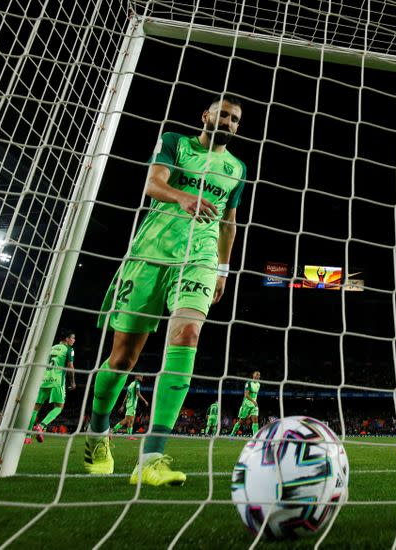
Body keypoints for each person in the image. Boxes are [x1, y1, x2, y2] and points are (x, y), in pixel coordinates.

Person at [84, 94, 247, 486]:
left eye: (235, 119)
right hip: (150, 254)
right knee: (123, 358)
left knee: (189, 335)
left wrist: (223, 270)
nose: (227, 122)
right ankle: (97, 432)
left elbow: (228, 221)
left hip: (200, 258)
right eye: (222, 114)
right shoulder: (176, 142)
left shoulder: (237, 168)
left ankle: (152, 457)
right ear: (205, 116)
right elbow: (153, 184)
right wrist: (183, 196)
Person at [25, 330, 76, 444]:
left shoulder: (51, 348)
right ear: (66, 339)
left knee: (35, 409)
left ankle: (27, 436)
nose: (74, 340)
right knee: (59, 407)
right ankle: (41, 426)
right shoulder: (69, 349)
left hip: (44, 380)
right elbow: (70, 367)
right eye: (72, 338)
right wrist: (72, 382)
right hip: (57, 381)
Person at [113, 375, 149, 440]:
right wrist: (145, 401)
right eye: (140, 376)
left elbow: (126, 396)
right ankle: (114, 431)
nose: (142, 378)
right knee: (128, 420)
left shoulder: (130, 384)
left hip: (129, 405)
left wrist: (123, 406)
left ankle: (128, 435)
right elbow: (138, 393)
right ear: (136, 377)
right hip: (132, 405)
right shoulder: (137, 384)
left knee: (129, 420)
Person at [230, 371, 261, 436]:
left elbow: (255, 395)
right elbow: (246, 395)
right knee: (241, 420)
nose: (257, 376)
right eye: (256, 375)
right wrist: (253, 401)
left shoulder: (258, 384)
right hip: (247, 404)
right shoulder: (248, 383)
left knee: (255, 420)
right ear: (253, 375)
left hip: (254, 405)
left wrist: (255, 402)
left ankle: (255, 437)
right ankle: (232, 434)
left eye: (258, 375)